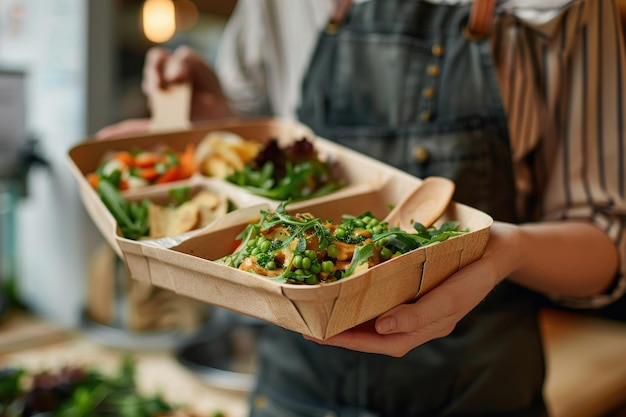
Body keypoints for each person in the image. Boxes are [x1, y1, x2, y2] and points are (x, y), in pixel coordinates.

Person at [97, 0, 626, 415]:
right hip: (292, 392)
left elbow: (607, 241)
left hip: (477, 392)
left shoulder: (566, 7)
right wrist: (214, 115)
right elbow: (262, 141)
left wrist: (503, 247)